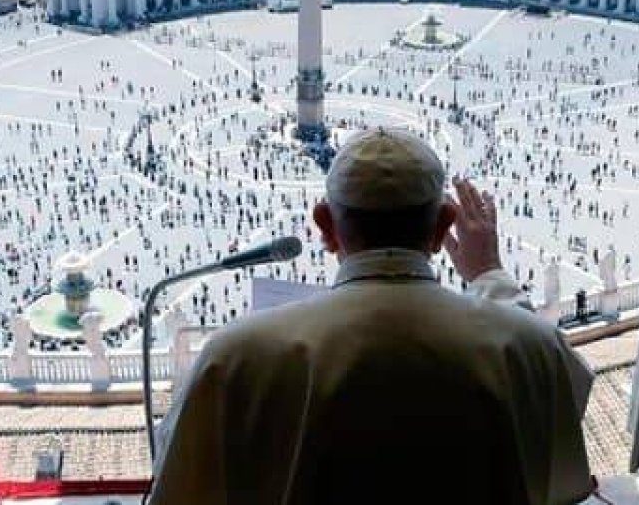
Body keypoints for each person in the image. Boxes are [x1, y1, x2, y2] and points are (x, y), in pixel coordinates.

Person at [150, 127, 597, 505]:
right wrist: (490, 275)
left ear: (324, 226)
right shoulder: (531, 346)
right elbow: (558, 432)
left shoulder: (234, 357)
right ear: (443, 226)